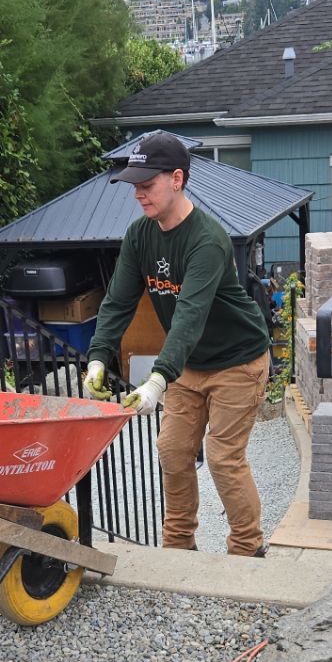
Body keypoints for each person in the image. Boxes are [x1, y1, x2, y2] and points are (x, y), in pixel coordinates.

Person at [83, 131, 272, 556]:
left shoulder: (207, 239)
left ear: (177, 179)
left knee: (223, 457)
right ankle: (178, 547)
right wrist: (98, 356)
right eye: (135, 186)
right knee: (171, 449)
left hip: (237, 360)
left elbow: (188, 316)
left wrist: (156, 381)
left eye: (147, 185)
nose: (138, 194)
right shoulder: (139, 236)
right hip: (191, 364)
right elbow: (118, 301)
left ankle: (247, 550)